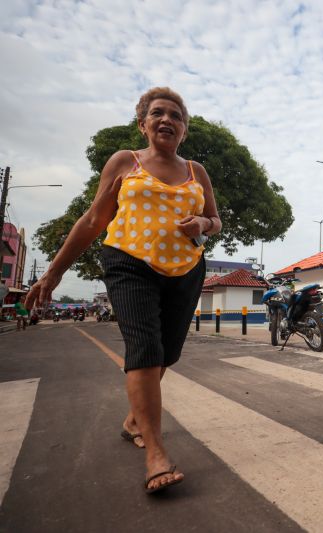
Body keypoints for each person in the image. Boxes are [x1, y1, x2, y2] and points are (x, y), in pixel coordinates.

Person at [26, 87, 221, 494]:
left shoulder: (196, 171)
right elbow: (93, 220)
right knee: (145, 348)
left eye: (176, 116)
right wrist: (53, 274)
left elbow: (215, 220)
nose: (167, 119)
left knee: (168, 352)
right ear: (143, 124)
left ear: (184, 130)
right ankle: (156, 453)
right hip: (129, 262)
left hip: (186, 268)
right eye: (158, 113)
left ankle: (134, 419)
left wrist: (203, 224)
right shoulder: (124, 162)